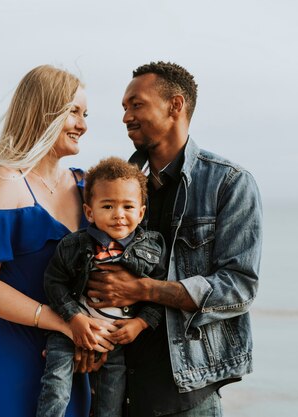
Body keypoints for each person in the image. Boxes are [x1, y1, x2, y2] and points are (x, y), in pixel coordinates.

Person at [0, 65, 115, 417]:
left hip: (73, 359)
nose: (83, 124)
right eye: (73, 112)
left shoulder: (87, 186)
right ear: (44, 112)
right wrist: (63, 322)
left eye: (85, 113)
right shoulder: (4, 180)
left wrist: (97, 332)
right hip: (12, 358)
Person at [87, 61, 263, 416]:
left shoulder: (228, 183)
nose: (125, 117)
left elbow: (239, 287)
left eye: (136, 105)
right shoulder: (117, 187)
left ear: (175, 105)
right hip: (111, 386)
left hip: (185, 391)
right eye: (124, 107)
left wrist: (144, 290)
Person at [37, 157, 166, 417]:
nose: (118, 214)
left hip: (115, 340)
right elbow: (54, 282)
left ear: (141, 213)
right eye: (108, 206)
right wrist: (74, 318)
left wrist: (139, 324)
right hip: (69, 332)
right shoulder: (74, 245)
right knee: (56, 390)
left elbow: (159, 294)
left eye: (128, 206)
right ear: (89, 212)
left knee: (111, 402)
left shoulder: (151, 248)